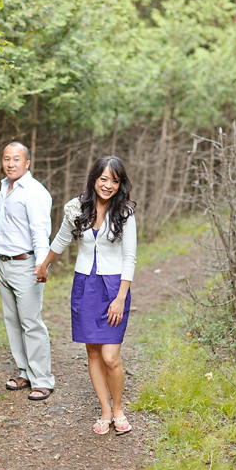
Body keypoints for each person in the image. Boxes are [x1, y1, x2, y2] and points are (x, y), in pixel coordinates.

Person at [35, 156, 136, 434]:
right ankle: (105, 410)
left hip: (115, 287)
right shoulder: (76, 208)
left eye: (114, 180)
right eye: (103, 178)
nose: (108, 185)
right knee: (93, 353)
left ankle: (118, 409)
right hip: (84, 285)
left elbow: (130, 258)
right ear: (94, 179)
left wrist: (119, 297)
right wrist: (44, 265)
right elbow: (61, 239)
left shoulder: (125, 213)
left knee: (111, 357)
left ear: (120, 184)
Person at [0, 142, 55, 400]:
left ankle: (42, 380)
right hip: (3, 263)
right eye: (6, 159)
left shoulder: (35, 192)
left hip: (27, 264)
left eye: (16, 159)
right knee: (12, 322)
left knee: (31, 323)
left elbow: (40, 230)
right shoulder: (3, 190)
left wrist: (42, 264)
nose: (10, 164)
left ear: (27, 163)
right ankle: (24, 372)